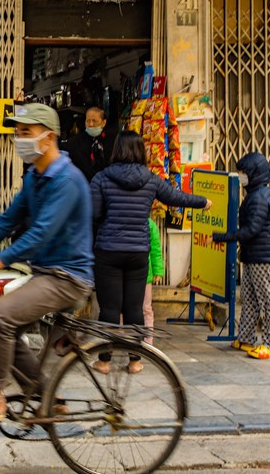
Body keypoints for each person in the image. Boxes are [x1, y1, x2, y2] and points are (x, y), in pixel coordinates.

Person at [0, 103, 94, 428]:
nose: (20, 139)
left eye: (26, 133)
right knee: (4, 327)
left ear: (49, 138)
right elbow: (9, 219)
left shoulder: (67, 180)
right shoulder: (35, 176)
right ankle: (46, 397)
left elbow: (42, 232)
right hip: (45, 273)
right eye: (17, 133)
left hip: (68, 277)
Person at [90, 130, 209, 374]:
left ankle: (104, 361)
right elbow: (176, 197)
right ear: (141, 151)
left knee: (109, 309)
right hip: (138, 252)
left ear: (116, 151)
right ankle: (135, 361)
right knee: (134, 309)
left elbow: (93, 214)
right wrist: (202, 202)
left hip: (108, 251)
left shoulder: (102, 178)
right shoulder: (151, 179)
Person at [212, 152, 270, 360]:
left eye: (244, 172)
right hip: (252, 255)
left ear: (254, 173)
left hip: (262, 257)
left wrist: (224, 237)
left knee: (268, 300)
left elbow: (251, 230)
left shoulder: (260, 197)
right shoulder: (255, 194)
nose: (241, 176)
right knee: (250, 299)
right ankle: (245, 338)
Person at [62, 107, 114, 183]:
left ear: (103, 123)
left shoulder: (112, 141)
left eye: (94, 121)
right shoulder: (75, 142)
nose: (91, 124)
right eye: (88, 121)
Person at [144, 217, 164, 345]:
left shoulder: (150, 224)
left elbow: (155, 249)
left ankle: (148, 341)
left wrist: (158, 271)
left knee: (146, 308)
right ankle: (124, 339)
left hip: (146, 276)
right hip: (140, 274)